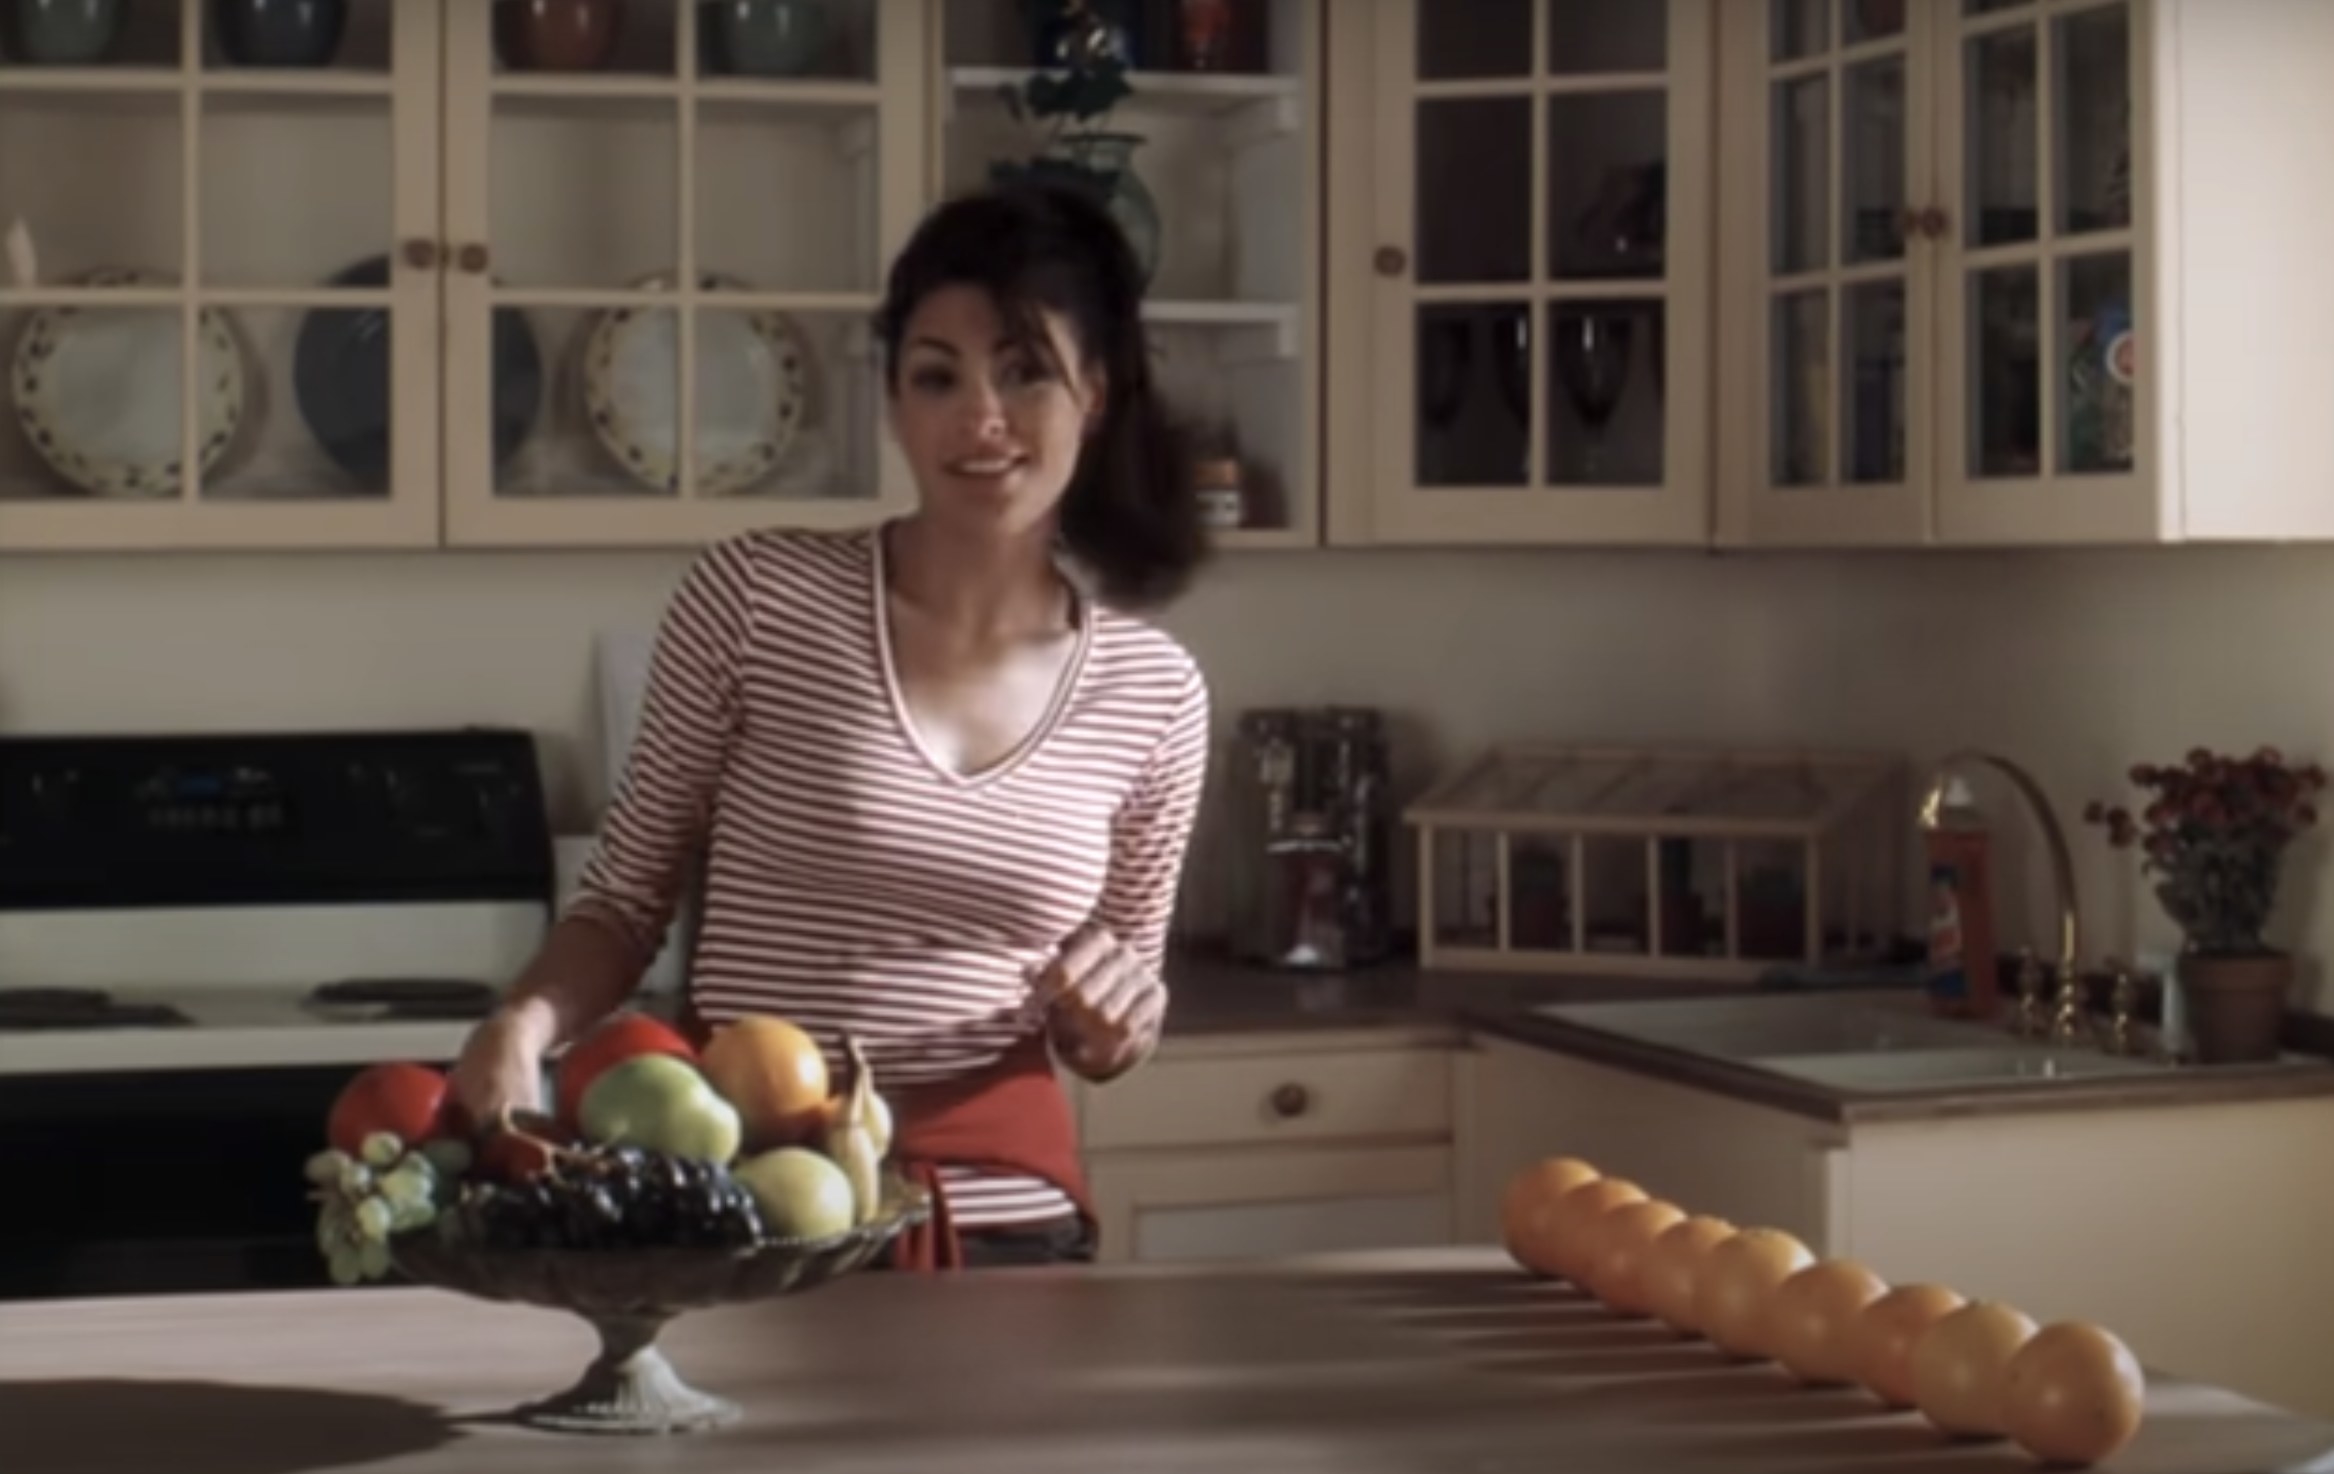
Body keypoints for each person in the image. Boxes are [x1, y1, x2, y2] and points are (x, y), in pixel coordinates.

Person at [448, 180, 1214, 1269]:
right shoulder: (757, 598)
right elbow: (623, 901)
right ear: (895, 401)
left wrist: (1116, 1024)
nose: (980, 418)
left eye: (1024, 371)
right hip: (748, 1203)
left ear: (1094, 390)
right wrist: (520, 1025)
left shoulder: (1157, 694)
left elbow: (1110, 1018)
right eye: (937, 375)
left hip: (1011, 1227)